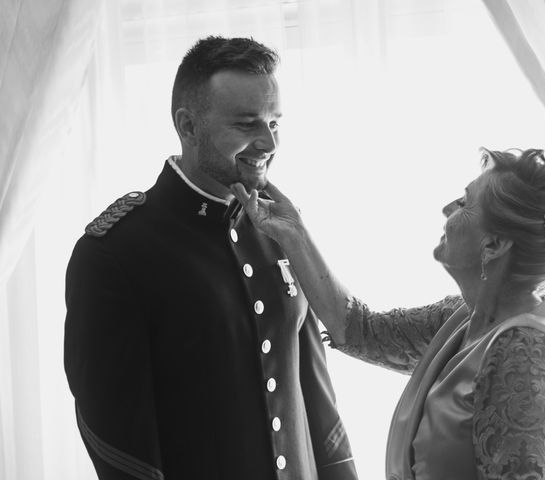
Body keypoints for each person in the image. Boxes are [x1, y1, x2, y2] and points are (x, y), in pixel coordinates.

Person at [64, 36, 358, 480]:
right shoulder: (114, 254)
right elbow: (117, 442)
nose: (267, 142)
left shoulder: (280, 233)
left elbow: (319, 403)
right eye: (246, 124)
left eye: (275, 123)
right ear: (188, 126)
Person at [231, 147, 545, 480]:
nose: (447, 209)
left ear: (494, 244)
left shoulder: (527, 354)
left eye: (464, 204)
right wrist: (292, 232)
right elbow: (360, 330)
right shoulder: (464, 317)